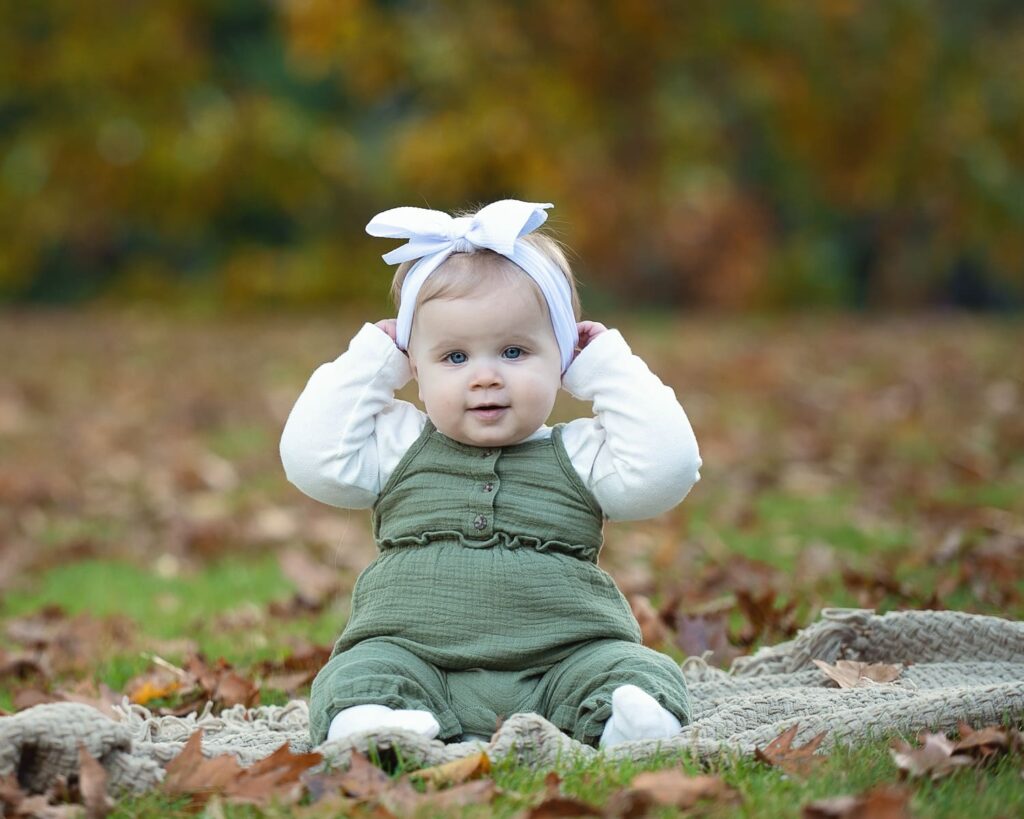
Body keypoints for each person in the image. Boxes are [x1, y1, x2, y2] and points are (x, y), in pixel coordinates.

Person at [280, 200, 702, 748]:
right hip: (415, 656)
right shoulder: (398, 445)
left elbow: (666, 470)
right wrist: (372, 359)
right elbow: (312, 457)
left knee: (635, 668)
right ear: (414, 367)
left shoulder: (580, 454)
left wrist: (607, 365)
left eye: (513, 351)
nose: (485, 377)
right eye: (454, 357)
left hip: (561, 659)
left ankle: (628, 722)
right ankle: (377, 723)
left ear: (563, 357)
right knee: (357, 673)